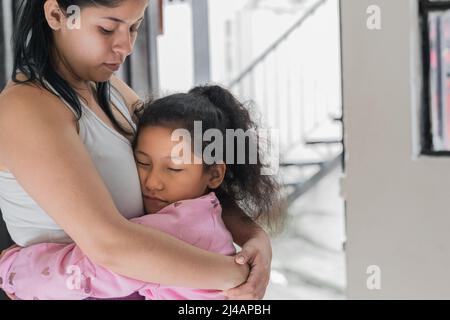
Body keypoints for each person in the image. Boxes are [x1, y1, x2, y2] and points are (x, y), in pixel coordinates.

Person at [0, 0, 275, 300]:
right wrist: (235, 276)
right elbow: (109, 245)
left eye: (134, 27)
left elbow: (195, 178)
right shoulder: (26, 109)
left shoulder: (109, 91)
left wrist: (254, 238)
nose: (126, 46)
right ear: (56, 14)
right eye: (107, 28)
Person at [0, 86, 285, 300]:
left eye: (173, 170)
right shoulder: (203, 213)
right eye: (142, 162)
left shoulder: (176, 225)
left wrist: (14, 271)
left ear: (214, 174)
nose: (153, 182)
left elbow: (90, 272)